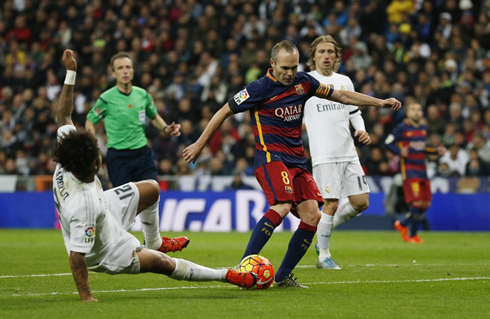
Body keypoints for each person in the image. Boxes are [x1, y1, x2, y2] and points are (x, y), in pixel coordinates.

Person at [183, 40, 401, 288]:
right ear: (272, 63)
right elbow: (223, 111)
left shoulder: (304, 82)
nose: (289, 73)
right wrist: (200, 144)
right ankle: (243, 268)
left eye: (294, 68)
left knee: (312, 216)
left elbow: (341, 95)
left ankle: (283, 275)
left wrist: (379, 102)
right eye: (285, 68)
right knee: (283, 204)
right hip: (270, 157)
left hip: (297, 160)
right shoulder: (258, 88)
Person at [54, 50, 256, 302]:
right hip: (105, 248)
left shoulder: (67, 157)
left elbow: (63, 115)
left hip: (105, 204)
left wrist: (71, 72)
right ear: (96, 165)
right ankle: (225, 275)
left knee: (151, 188)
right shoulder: (83, 206)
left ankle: (155, 241)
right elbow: (77, 256)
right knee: (164, 264)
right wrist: (86, 297)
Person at [303, 35, 372, 270]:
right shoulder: (305, 82)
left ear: (336, 56)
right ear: (313, 56)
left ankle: (324, 228)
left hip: (348, 152)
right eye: (321, 52)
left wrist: (361, 130)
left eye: (330, 52)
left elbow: (354, 112)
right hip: (324, 154)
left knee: (361, 202)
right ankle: (324, 255)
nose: (326, 56)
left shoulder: (344, 81)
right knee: (330, 203)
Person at [85, 52, 181, 188]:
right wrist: (93, 144)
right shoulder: (106, 98)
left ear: (133, 71)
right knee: (126, 202)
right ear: (113, 73)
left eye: (128, 67)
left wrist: (166, 129)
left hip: (142, 152)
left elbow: (153, 116)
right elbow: (90, 121)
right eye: (120, 68)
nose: (125, 71)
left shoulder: (143, 95)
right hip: (118, 157)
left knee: (152, 191)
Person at [386, 102, 445, 243]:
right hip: (410, 171)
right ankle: (411, 233)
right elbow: (388, 142)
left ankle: (405, 226)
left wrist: (436, 151)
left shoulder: (424, 129)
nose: (417, 112)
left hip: (422, 170)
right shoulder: (402, 128)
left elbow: (423, 148)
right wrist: (399, 151)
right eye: (413, 109)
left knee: (425, 204)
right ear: (408, 113)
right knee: (417, 203)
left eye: (419, 109)